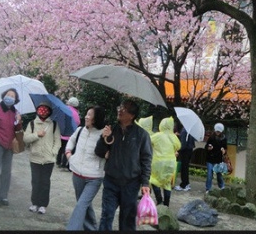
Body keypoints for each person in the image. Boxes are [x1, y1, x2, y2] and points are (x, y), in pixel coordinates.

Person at [94, 99, 152, 231]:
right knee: (107, 215)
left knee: (127, 219)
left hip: (131, 184)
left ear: (132, 115)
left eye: (124, 109)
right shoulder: (111, 129)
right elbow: (99, 152)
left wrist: (145, 183)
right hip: (111, 181)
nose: (120, 110)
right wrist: (104, 139)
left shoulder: (141, 135)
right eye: (119, 107)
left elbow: (146, 159)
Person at [65, 105, 107, 230]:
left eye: (89, 115)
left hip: (94, 177)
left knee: (81, 205)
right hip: (77, 174)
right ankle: (92, 228)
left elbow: (106, 152)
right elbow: (71, 141)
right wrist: (69, 156)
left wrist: (106, 139)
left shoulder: (103, 134)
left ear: (95, 119)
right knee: (84, 205)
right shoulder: (80, 130)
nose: (86, 117)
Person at [23, 101, 61, 214]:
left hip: (48, 160)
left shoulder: (54, 125)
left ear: (49, 112)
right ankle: (34, 203)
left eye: (46, 109)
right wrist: (36, 135)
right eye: (41, 109)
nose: (43, 111)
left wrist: (53, 153)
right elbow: (25, 139)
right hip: (35, 158)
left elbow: (57, 141)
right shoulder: (32, 124)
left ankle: (43, 204)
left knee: (45, 182)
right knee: (35, 181)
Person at [150, 116, 180, 206]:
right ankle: (166, 204)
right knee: (167, 183)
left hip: (158, 162)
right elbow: (178, 146)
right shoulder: (174, 137)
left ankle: (159, 201)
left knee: (154, 180)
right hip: (171, 163)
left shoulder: (157, 136)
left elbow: (148, 142)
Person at [57, 97, 81, 170]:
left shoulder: (64, 109)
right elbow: (78, 122)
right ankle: (63, 164)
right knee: (67, 148)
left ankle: (58, 161)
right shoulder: (76, 113)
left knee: (60, 148)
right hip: (70, 134)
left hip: (61, 132)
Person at [204, 123, 227, 193]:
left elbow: (225, 148)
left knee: (219, 174)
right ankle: (208, 188)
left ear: (221, 131)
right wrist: (209, 148)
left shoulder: (224, 138)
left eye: (219, 132)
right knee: (209, 174)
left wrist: (224, 151)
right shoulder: (211, 137)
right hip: (210, 158)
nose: (217, 133)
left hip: (218, 159)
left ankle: (222, 187)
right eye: (216, 131)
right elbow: (206, 147)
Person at [174, 126, 196, 191]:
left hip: (185, 152)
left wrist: (178, 150)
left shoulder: (184, 130)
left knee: (184, 168)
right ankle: (186, 183)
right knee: (186, 168)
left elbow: (183, 144)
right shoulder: (190, 130)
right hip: (189, 150)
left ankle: (183, 185)